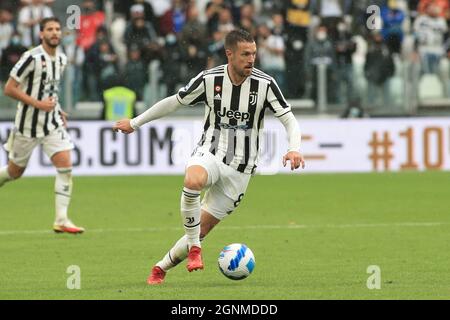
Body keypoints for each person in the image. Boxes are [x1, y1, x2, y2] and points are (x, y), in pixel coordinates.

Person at [113, 29, 305, 285]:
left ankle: (160, 267)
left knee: (201, 229)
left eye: (254, 54)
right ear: (229, 54)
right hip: (211, 152)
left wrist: (294, 148)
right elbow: (174, 102)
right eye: (245, 54)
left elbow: (289, 119)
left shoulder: (265, 84)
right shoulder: (209, 79)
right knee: (192, 180)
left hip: (241, 170)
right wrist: (135, 123)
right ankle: (195, 250)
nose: (251, 59)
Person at [0, 17, 84, 234]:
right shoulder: (31, 57)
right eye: (50, 29)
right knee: (14, 172)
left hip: (51, 123)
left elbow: (50, 91)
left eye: (57, 29)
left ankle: (62, 219)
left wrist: (58, 109)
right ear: (41, 34)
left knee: (65, 165)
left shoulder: (62, 59)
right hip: (27, 125)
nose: (55, 33)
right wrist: (38, 104)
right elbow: (9, 88)